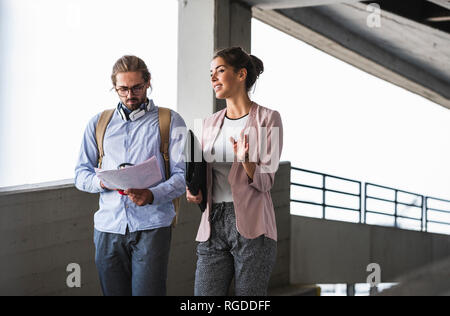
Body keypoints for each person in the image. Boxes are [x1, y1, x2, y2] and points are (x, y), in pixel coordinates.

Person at [75, 55, 186, 296]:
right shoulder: (99, 123)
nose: (129, 95)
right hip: (108, 228)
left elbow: (182, 176)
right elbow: (81, 174)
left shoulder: (169, 121)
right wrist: (101, 181)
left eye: (136, 87)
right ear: (114, 87)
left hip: (152, 226)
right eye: (122, 89)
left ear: (148, 82)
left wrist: (152, 194)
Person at [186, 47, 283, 296]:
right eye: (210, 73)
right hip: (212, 222)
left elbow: (266, 181)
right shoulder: (209, 124)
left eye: (220, 70)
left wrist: (247, 160)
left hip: (253, 227)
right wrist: (195, 192)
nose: (213, 78)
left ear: (241, 75)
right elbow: (205, 174)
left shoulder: (268, 119)